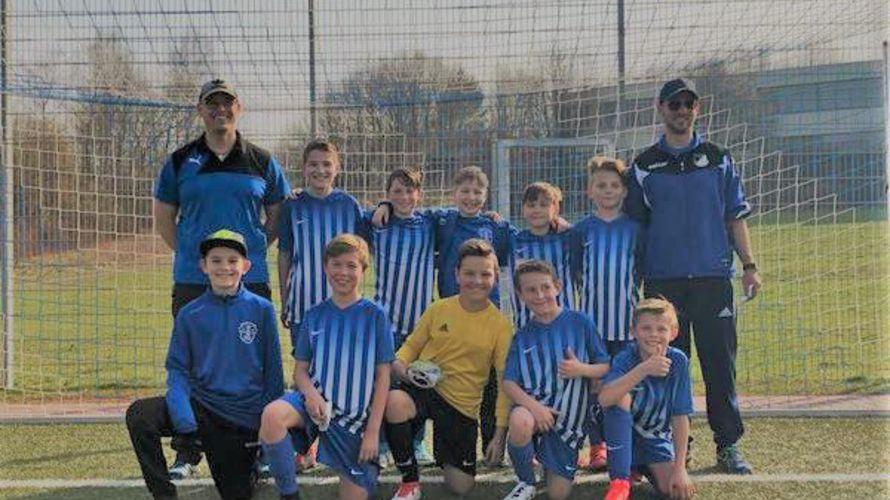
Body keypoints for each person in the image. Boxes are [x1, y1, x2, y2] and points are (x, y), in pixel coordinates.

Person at [152, 79, 290, 477]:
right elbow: (164, 217)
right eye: (211, 104)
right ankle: (188, 449)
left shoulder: (262, 160)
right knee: (193, 365)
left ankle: (263, 443)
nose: (220, 110)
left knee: (256, 363)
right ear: (200, 110)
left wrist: (251, 251)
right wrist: (195, 257)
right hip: (194, 280)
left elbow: (276, 213)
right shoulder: (180, 160)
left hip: (250, 278)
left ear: (238, 108)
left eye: (226, 103)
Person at [625, 78, 762, 474]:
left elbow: (734, 216)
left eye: (689, 104)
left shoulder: (718, 158)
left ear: (697, 109)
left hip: (712, 279)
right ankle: (672, 448)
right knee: (666, 366)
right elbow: (635, 227)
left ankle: (727, 444)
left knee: (720, 365)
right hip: (663, 283)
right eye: (675, 104)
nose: (682, 110)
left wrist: (749, 266)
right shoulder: (644, 165)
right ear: (661, 108)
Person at [125, 230, 284, 500]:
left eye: (232, 261)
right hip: (201, 407)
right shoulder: (190, 314)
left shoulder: (262, 309)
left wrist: (268, 424)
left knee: (237, 493)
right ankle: (164, 494)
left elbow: (273, 372)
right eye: (216, 260)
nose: (224, 267)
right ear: (204, 266)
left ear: (246, 266)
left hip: (240, 417)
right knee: (140, 415)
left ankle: (250, 462)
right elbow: (178, 368)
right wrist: (182, 412)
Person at [259, 234, 394, 500]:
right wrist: (311, 394)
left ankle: (334, 456)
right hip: (315, 407)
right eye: (336, 264)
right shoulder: (314, 315)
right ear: (325, 267)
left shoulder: (375, 316)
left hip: (354, 421)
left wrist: (372, 433)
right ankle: (290, 494)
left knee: (356, 495)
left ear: (363, 270)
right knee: (272, 416)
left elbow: (383, 376)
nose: (343, 272)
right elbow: (300, 370)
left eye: (351, 266)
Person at [385, 239, 513, 500]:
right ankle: (409, 481)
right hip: (425, 390)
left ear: (495, 277)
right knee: (395, 402)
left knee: (461, 486)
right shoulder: (439, 309)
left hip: (461, 407)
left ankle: (444, 451)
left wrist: (499, 437)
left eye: (485, 274)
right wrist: (402, 369)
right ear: (456, 274)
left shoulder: (500, 326)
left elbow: (503, 384)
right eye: (469, 273)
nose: (477, 281)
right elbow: (409, 349)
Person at [501, 260, 610, 500]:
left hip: (567, 420)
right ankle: (526, 482)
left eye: (545, 287)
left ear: (558, 287)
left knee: (558, 493)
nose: (540, 295)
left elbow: (605, 366)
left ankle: (545, 459)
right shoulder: (522, 335)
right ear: (520, 295)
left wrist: (581, 369)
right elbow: (509, 382)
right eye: (531, 290)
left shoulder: (580, 322)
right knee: (519, 420)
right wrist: (536, 408)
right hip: (534, 411)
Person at [568, 156, 643, 469]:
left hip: (626, 326)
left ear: (624, 191)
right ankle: (597, 445)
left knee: (623, 387)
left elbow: (641, 271)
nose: (608, 190)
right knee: (592, 387)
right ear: (590, 191)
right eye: (601, 185)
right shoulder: (581, 230)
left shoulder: (636, 229)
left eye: (614, 185)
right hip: (593, 326)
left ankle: (624, 447)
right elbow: (576, 273)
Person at [371, 167, 438, 465]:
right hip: (386, 321)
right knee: (383, 383)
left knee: (420, 382)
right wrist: (381, 207)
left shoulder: (429, 223)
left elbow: (462, 215)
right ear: (388, 194)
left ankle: (417, 442)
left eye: (410, 191)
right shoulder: (377, 223)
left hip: (420, 324)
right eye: (396, 191)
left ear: (419, 194)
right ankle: (383, 443)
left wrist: (492, 216)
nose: (404, 196)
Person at [599, 298, 695, 500]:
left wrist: (680, 468)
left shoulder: (678, 361)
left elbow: (680, 416)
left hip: (654, 439)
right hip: (624, 437)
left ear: (674, 332)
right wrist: (644, 369)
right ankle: (620, 479)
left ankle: (640, 467)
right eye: (646, 328)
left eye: (661, 329)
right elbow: (605, 399)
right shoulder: (625, 357)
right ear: (633, 331)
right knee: (620, 398)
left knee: (675, 491)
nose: (653, 334)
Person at [508, 182, 575, 329]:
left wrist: (566, 225)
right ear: (523, 210)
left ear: (555, 208)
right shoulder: (513, 241)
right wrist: (492, 216)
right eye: (531, 205)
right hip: (526, 326)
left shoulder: (567, 238)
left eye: (544, 205)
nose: (537, 210)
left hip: (563, 325)